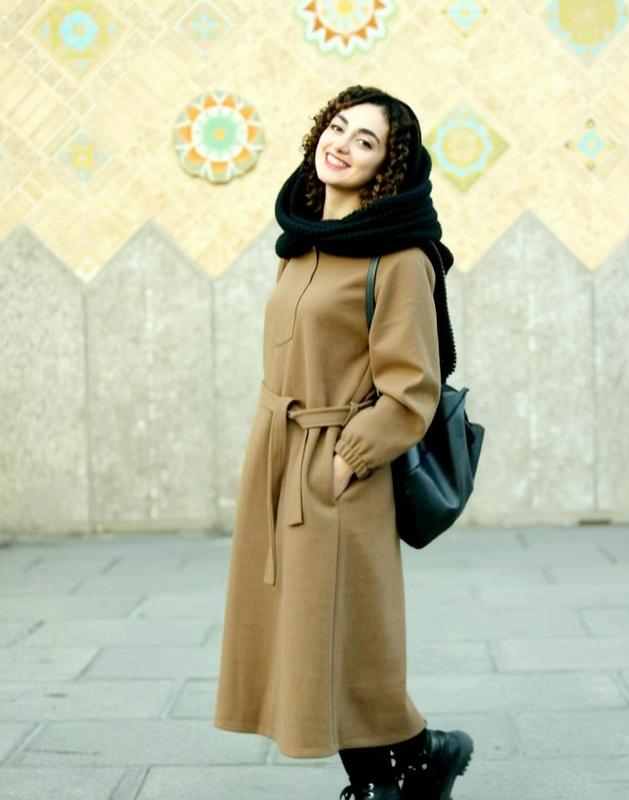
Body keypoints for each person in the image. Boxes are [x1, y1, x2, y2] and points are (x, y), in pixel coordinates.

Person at [213, 84, 473, 800]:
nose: (344, 143)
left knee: (343, 632)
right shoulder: (302, 240)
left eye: (367, 141)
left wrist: (344, 460)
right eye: (338, 126)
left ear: (389, 167)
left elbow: (413, 387)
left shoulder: (400, 257)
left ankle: (398, 769)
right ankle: (412, 763)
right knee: (307, 634)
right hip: (278, 456)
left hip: (340, 464)